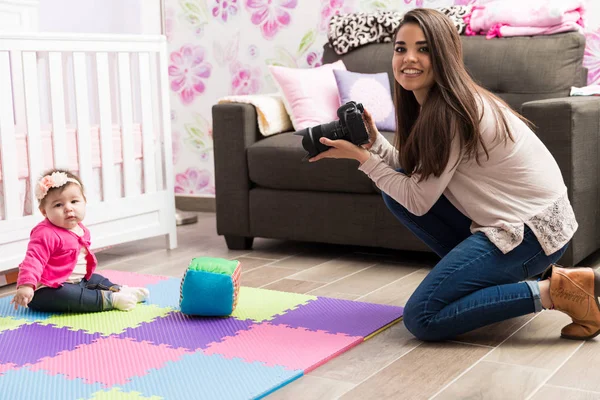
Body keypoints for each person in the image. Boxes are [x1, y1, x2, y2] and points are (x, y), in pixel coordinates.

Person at [309, 8, 600, 341]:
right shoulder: (433, 106)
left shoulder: (453, 112)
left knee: (422, 316)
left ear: (444, 54)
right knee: (395, 192)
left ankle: (556, 291)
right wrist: (375, 144)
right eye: (401, 49)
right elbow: (416, 176)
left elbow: (418, 200)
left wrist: (363, 158)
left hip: (532, 234)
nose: (409, 58)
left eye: (424, 49)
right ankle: (503, 281)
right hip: (519, 226)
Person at [11, 169, 149, 313]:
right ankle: (110, 299)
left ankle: (120, 290)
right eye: (59, 205)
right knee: (66, 296)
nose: (68, 208)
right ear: (44, 211)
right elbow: (34, 260)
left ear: (84, 202)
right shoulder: (45, 233)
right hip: (47, 288)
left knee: (96, 279)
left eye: (74, 201)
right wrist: (26, 286)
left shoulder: (80, 228)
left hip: (79, 280)